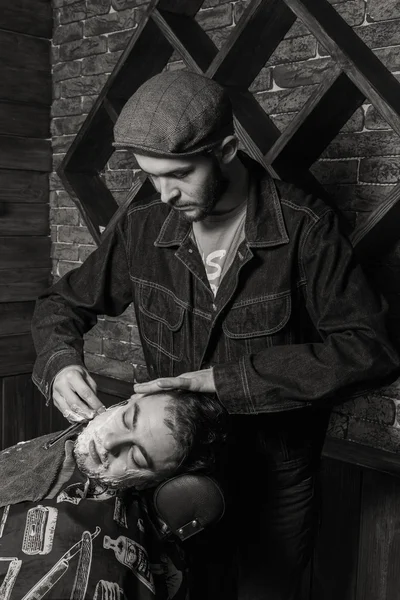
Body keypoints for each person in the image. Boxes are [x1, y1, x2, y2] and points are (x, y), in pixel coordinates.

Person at [31, 70, 400, 599]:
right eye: (151, 176)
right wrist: (61, 361)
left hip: (275, 480)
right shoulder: (142, 228)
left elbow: (371, 350)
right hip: (170, 481)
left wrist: (226, 382)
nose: (164, 193)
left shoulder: (304, 228)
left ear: (226, 149)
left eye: (179, 174)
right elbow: (59, 304)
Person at [0, 390, 226, 600]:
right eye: (127, 420)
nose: (108, 443)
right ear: (126, 401)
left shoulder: (85, 570)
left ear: (151, 480)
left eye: (136, 458)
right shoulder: (76, 438)